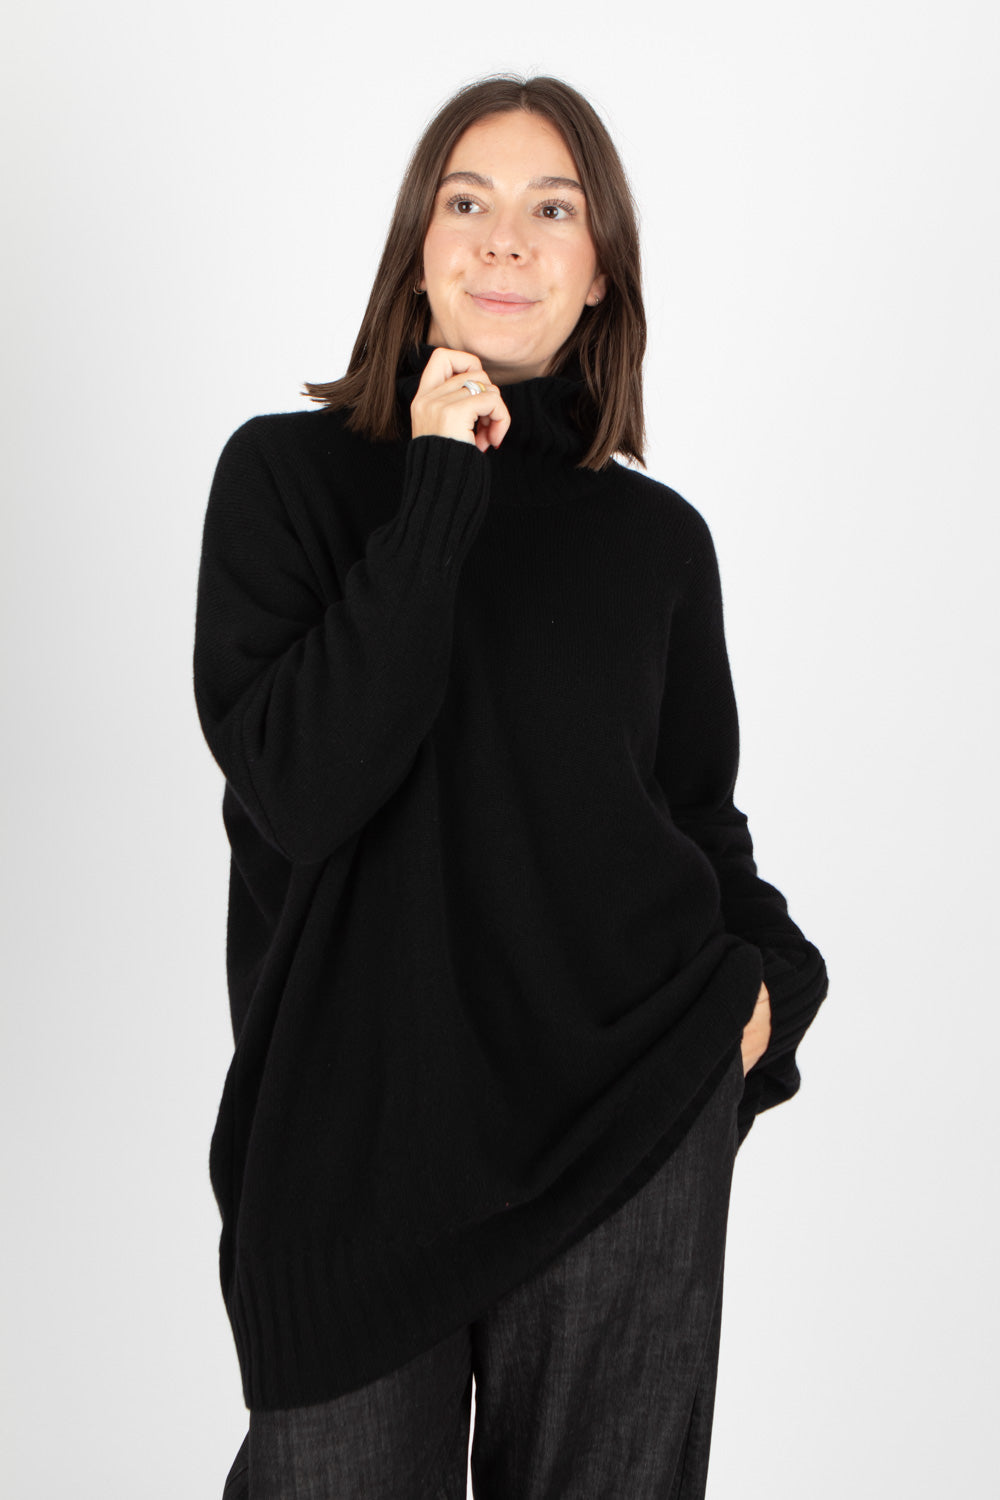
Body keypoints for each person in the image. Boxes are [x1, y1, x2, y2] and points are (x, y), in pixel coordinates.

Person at [194, 73, 829, 1500]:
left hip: (621, 1128)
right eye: (468, 201)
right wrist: (439, 483)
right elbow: (304, 787)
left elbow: (694, 820)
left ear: (600, 273)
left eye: (554, 211)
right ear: (417, 249)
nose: (504, 239)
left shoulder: (657, 544)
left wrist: (769, 990)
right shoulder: (286, 481)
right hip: (351, 1161)